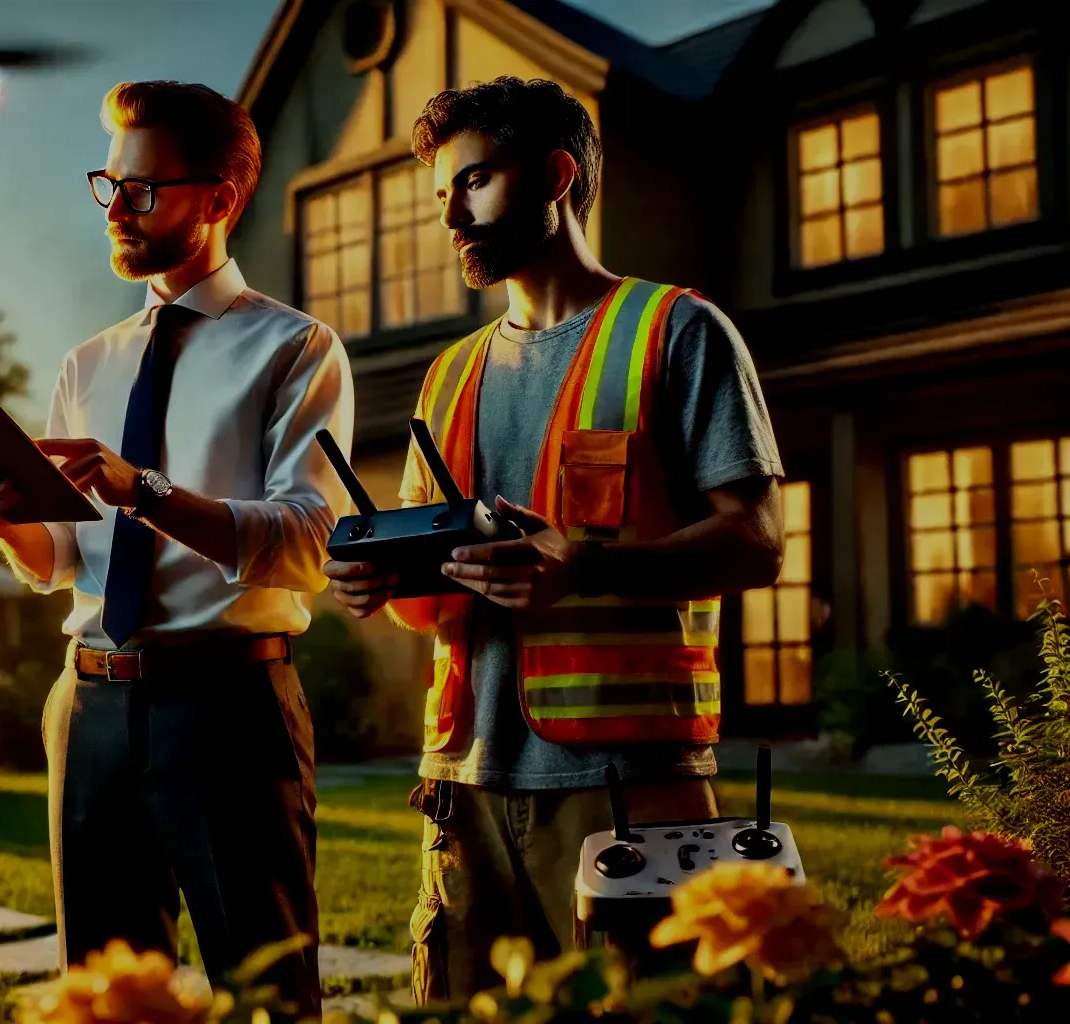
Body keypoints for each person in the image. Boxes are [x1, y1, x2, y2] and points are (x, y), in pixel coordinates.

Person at [323, 77, 787, 1003]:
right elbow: (433, 600)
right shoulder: (445, 377)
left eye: (476, 181)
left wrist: (590, 566)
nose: (451, 213)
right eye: (444, 193)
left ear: (557, 176)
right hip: (460, 790)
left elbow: (757, 542)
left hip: (626, 790)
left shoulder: (677, 331)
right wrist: (379, 583)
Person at [0, 80, 352, 1016]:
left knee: (268, 998)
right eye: (110, 186)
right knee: (103, 998)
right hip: (85, 706)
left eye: (144, 190)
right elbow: (59, 563)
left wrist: (144, 489)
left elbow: (306, 542)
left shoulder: (296, 349)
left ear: (222, 196)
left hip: (229, 708)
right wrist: (2, 520)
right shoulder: (87, 363)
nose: (118, 211)